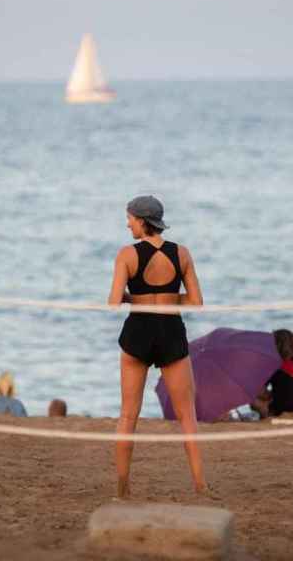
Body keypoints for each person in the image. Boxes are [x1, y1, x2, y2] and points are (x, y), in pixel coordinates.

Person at [109, 195, 206, 498]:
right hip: (170, 330)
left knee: (128, 415)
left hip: (138, 330)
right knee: (187, 415)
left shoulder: (127, 255)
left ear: (141, 220)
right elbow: (195, 302)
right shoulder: (182, 253)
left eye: (130, 219)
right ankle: (201, 486)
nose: (127, 225)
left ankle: (123, 488)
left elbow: (113, 304)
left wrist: (133, 298)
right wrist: (164, 297)